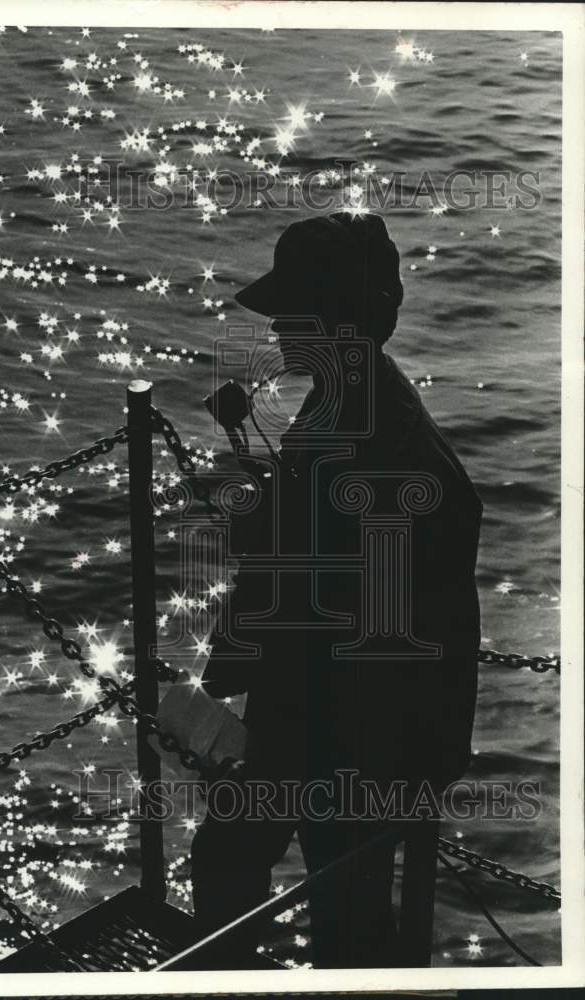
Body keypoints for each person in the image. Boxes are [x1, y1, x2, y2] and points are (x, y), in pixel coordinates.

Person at [190, 212, 483, 968]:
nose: (280, 330)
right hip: (358, 711)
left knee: (284, 878)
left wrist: (240, 651)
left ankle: (223, 980)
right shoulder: (362, 403)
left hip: (346, 720)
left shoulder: (349, 428)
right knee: (338, 901)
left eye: (294, 315)